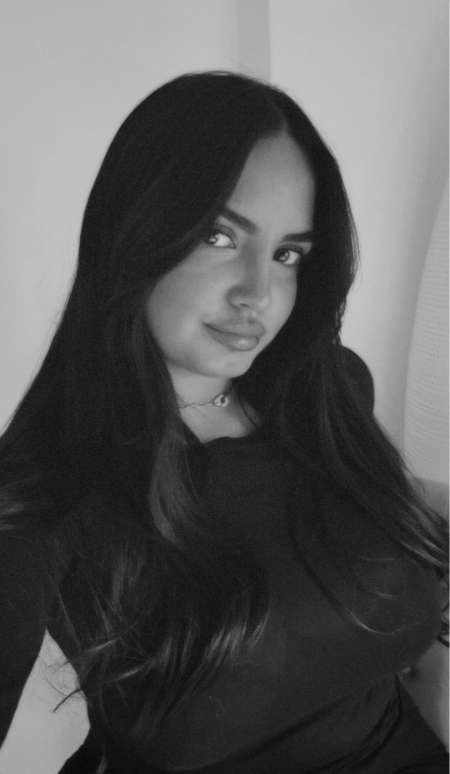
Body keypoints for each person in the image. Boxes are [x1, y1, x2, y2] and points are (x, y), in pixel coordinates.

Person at [0, 71, 448, 774]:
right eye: (219, 236)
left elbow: (363, 511)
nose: (258, 294)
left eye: (288, 254)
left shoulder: (327, 390)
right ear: (133, 230)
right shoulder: (44, 487)